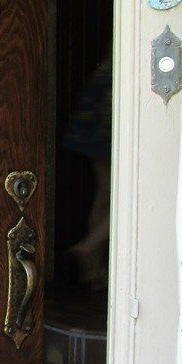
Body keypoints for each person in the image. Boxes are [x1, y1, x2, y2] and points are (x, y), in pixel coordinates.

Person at [62, 53, 112, 289]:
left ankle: (94, 271)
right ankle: (90, 247)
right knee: (132, 195)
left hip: (95, 123)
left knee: (105, 195)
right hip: (112, 124)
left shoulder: (110, 60)